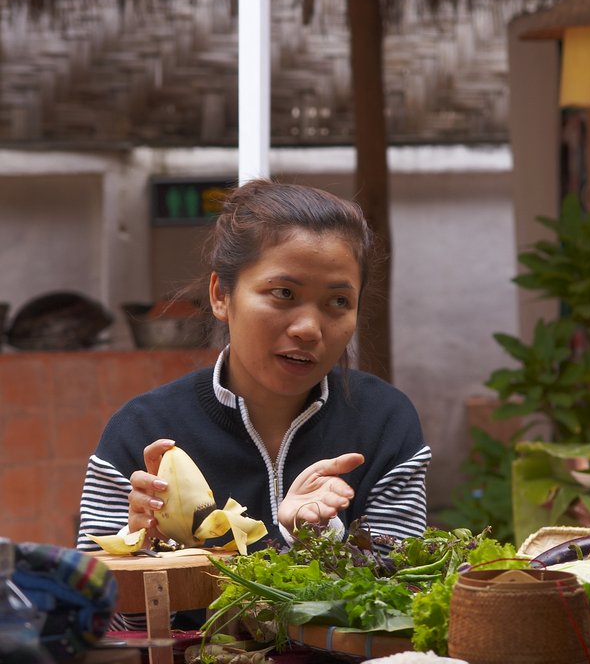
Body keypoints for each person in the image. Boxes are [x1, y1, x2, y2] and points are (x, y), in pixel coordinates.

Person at [77, 178, 431, 627]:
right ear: (221, 296)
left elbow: (401, 605)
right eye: (284, 293)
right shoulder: (140, 431)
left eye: (338, 302)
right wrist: (141, 557)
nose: (309, 327)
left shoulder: (385, 423)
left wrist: (317, 538)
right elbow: (93, 622)